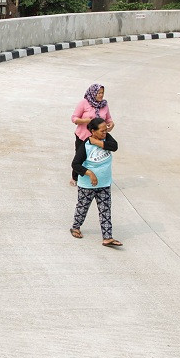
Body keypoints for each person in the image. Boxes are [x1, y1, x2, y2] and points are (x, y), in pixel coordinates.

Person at [70, 117, 123, 247]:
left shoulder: (107, 138)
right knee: (83, 207)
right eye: (102, 131)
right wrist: (90, 173)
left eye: (106, 130)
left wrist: (98, 143)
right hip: (87, 186)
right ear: (93, 131)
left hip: (104, 184)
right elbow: (75, 164)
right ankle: (76, 227)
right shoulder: (85, 146)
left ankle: (107, 237)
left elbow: (114, 146)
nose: (105, 133)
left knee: (105, 210)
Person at [70, 84, 114, 185]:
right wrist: (85, 120)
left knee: (95, 157)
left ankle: (97, 176)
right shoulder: (84, 103)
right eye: (98, 93)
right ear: (93, 93)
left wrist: (111, 123)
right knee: (80, 156)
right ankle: (75, 177)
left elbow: (108, 118)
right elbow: (74, 118)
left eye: (102, 93)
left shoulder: (104, 104)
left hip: (98, 137)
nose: (100, 95)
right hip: (83, 135)